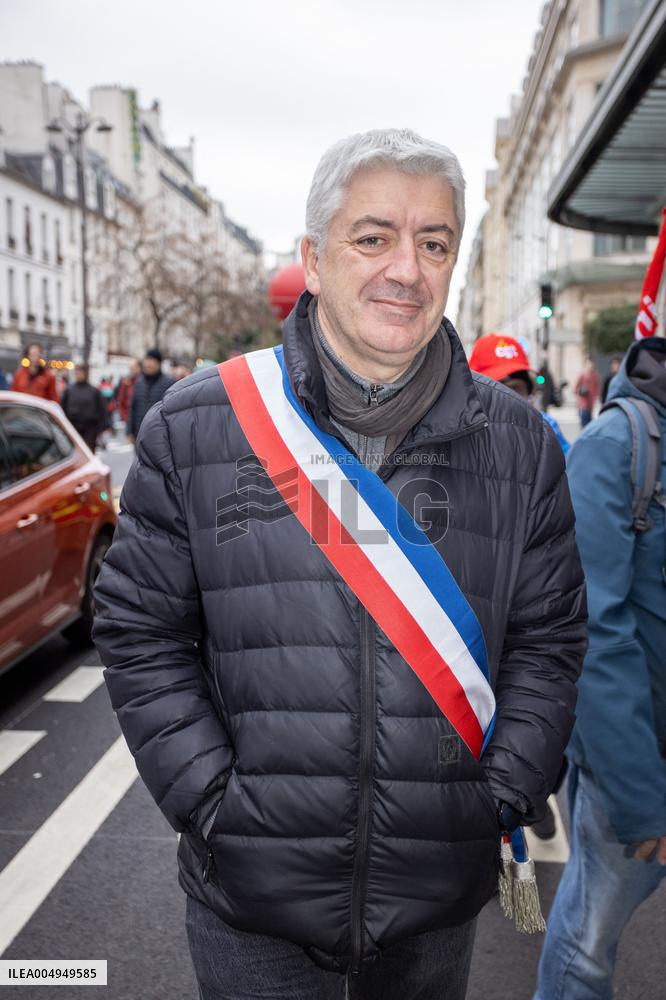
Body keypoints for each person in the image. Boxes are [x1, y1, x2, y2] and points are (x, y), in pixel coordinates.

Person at [93, 129, 586, 1000]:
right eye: (374, 237)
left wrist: (495, 801)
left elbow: (550, 643)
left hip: (436, 902)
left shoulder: (523, 447)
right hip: (252, 905)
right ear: (314, 260)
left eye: (434, 243)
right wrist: (214, 809)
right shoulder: (199, 424)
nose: (407, 267)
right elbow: (140, 632)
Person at [535, 335, 666, 1000]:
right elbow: (593, 628)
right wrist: (642, 798)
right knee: (587, 949)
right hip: (640, 759)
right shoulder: (617, 445)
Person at [468, 333, 569, 455]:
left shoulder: (545, 428)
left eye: (515, 388)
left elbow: (570, 465)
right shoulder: (461, 434)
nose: (508, 398)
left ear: (528, 390)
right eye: (496, 388)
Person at [125, 348, 173, 444]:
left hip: (160, 433)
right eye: (146, 361)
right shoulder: (139, 382)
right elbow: (133, 408)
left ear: (159, 363)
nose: (148, 364)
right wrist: (129, 431)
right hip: (139, 432)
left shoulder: (169, 383)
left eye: (151, 361)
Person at [60, 363, 110, 451]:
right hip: (73, 427)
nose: (78, 375)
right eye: (77, 372)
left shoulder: (94, 391)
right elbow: (62, 408)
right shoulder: (69, 390)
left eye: (80, 372)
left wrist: (103, 427)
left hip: (90, 429)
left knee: (88, 452)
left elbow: (102, 410)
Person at [575, 358, 601, 427]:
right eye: (588, 365)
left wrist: (596, 397)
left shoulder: (594, 376)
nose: (590, 366)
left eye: (591, 365)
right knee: (584, 423)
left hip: (591, 403)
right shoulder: (582, 376)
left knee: (589, 423)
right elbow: (576, 388)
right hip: (583, 403)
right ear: (585, 365)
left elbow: (597, 389)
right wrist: (579, 396)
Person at [115, 359, 140, 426]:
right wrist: (125, 417)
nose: (132, 369)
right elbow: (121, 400)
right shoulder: (126, 382)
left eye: (134, 367)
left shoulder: (143, 382)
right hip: (128, 419)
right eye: (130, 367)